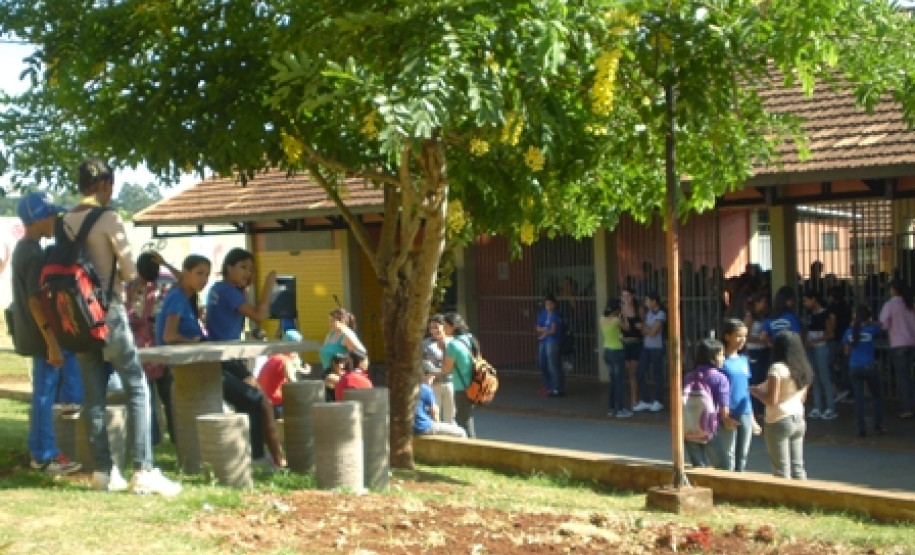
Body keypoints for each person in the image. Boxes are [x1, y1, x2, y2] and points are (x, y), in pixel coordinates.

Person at [63, 158, 180, 494]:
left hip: (77, 318)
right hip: (107, 312)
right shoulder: (109, 217)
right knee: (137, 385)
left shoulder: (63, 222)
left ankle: (103, 471)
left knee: (94, 394)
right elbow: (130, 272)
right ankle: (143, 470)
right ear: (105, 185)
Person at [10, 192, 81, 475]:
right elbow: (33, 301)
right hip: (40, 336)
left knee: (45, 390)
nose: (54, 219)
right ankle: (44, 454)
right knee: (43, 394)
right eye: (50, 215)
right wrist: (51, 341)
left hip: (34, 333)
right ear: (37, 219)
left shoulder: (24, 248)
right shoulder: (34, 253)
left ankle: (70, 403)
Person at [205, 248, 285, 469]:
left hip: (227, 357)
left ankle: (271, 458)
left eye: (250, 269)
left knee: (259, 403)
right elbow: (259, 316)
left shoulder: (220, 289)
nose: (247, 273)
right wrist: (269, 286)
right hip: (226, 358)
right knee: (259, 402)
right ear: (228, 267)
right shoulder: (229, 292)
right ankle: (268, 458)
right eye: (242, 267)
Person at [128, 251, 179, 446]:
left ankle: (153, 439)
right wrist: (165, 261)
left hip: (138, 350)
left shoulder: (128, 290)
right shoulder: (163, 289)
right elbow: (184, 279)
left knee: (146, 398)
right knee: (169, 398)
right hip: (160, 349)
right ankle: (177, 436)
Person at [750, 331, 813, 480]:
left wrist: (755, 392)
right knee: (798, 467)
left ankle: (783, 499)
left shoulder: (777, 368)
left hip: (779, 419)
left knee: (781, 469)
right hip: (798, 417)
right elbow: (803, 398)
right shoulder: (803, 368)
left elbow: (772, 399)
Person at [717, 318, 761, 472]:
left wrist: (753, 418)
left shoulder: (743, 360)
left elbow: (745, 390)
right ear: (727, 336)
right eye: (738, 336)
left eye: (745, 336)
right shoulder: (721, 361)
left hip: (745, 412)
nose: (743, 340)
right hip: (727, 412)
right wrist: (723, 414)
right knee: (728, 454)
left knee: (742, 455)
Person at [682, 338, 730, 468]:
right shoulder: (720, 378)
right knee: (723, 467)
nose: (723, 358)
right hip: (710, 428)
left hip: (689, 427)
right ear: (713, 357)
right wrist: (728, 421)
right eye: (721, 354)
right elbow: (724, 409)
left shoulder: (688, 377)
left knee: (699, 467)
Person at [842, 305, 885, 437]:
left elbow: (846, 351)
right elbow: (882, 325)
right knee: (876, 396)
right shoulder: (871, 329)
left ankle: (861, 429)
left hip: (854, 367)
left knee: (859, 399)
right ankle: (878, 426)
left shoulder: (849, 332)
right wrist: (869, 322)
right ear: (868, 317)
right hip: (869, 367)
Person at [878, 279, 915, 419]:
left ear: (894, 289)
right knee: (910, 377)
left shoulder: (890, 304)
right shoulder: (910, 303)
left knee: (903, 377)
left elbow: (883, 324)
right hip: (912, 343)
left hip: (898, 344)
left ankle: (908, 408)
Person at [438, 312, 478, 437]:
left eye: (445, 326)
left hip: (460, 388)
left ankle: (470, 450)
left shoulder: (453, 345)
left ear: (453, 326)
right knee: (467, 419)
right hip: (473, 385)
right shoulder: (469, 339)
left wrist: (431, 374)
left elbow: (446, 369)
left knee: (463, 423)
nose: (443, 329)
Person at [319, 307, 369, 402]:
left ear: (342, 321)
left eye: (333, 321)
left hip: (339, 375)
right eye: (330, 321)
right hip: (327, 372)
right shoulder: (331, 334)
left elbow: (362, 354)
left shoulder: (346, 334)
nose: (330, 323)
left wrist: (354, 372)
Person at [257, 329, 309, 419]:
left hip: (264, 402)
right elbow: (294, 384)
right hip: (277, 405)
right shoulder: (284, 361)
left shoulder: (273, 357)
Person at [802, 290, 837, 420]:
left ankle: (830, 407)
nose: (805, 303)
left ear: (814, 299)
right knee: (814, 377)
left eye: (807, 300)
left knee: (824, 377)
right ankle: (817, 406)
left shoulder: (825, 314)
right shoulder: (810, 314)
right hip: (810, 347)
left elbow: (830, 334)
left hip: (821, 347)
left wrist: (814, 341)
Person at [414, 364, 467, 438]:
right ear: (423, 375)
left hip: (408, 429)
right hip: (423, 427)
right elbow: (435, 414)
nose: (434, 378)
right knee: (461, 432)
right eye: (432, 375)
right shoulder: (425, 388)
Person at [634, 291, 666, 412]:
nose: (646, 302)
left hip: (656, 348)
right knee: (640, 372)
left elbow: (653, 332)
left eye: (648, 300)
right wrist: (647, 329)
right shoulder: (648, 314)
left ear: (654, 301)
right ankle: (646, 400)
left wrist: (644, 328)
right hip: (646, 347)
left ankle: (659, 400)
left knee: (657, 375)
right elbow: (648, 331)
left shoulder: (661, 314)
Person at [601, 299, 631, 418]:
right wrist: (624, 315)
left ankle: (611, 408)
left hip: (607, 351)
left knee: (612, 381)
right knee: (619, 382)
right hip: (617, 352)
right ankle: (620, 409)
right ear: (617, 309)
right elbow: (627, 327)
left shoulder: (602, 319)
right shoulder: (616, 321)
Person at [422, 314, 454, 423]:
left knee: (451, 417)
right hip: (433, 385)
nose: (433, 330)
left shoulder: (452, 342)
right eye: (431, 328)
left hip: (450, 383)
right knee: (435, 417)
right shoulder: (425, 344)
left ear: (443, 326)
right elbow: (422, 364)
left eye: (436, 327)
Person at [743, 291, 770, 419]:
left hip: (763, 349)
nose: (765, 305)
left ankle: (760, 408)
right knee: (755, 379)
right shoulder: (750, 317)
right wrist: (761, 340)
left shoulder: (762, 316)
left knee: (762, 379)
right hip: (754, 350)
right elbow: (745, 336)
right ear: (757, 303)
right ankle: (754, 408)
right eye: (763, 302)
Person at [619, 288, 643, 409]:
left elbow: (644, 325)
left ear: (632, 296)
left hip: (636, 343)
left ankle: (635, 400)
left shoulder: (638, 309)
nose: (626, 299)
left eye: (628, 296)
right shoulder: (620, 311)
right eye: (623, 296)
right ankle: (628, 400)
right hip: (624, 344)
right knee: (627, 373)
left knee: (634, 373)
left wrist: (642, 327)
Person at [536, 294, 563, 397]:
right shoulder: (543, 314)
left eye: (550, 304)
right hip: (544, 341)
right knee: (543, 364)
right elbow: (538, 327)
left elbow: (553, 330)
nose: (548, 306)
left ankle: (557, 388)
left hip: (552, 341)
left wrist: (544, 332)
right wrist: (545, 330)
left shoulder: (556, 315)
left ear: (554, 305)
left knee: (553, 365)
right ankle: (548, 386)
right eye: (546, 304)